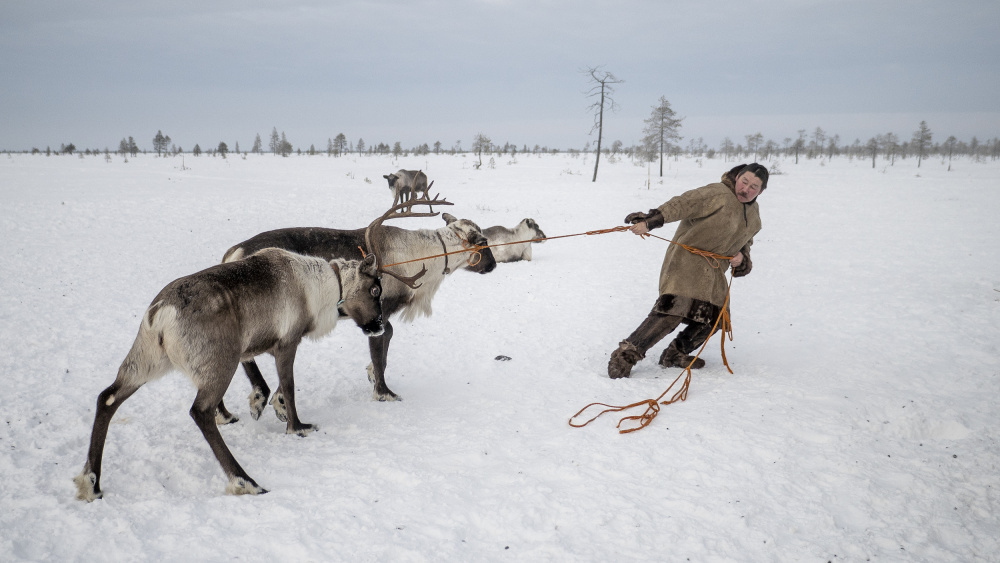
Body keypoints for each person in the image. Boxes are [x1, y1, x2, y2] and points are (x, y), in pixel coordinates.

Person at [608, 163, 768, 379]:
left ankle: (675, 354)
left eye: (754, 187)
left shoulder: (754, 214)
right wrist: (650, 221)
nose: (746, 189)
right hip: (687, 262)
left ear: (761, 191)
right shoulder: (716, 193)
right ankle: (626, 355)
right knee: (674, 309)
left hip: (714, 271)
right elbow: (682, 204)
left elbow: (745, 241)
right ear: (737, 177)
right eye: (744, 181)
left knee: (716, 320)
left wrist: (743, 257)